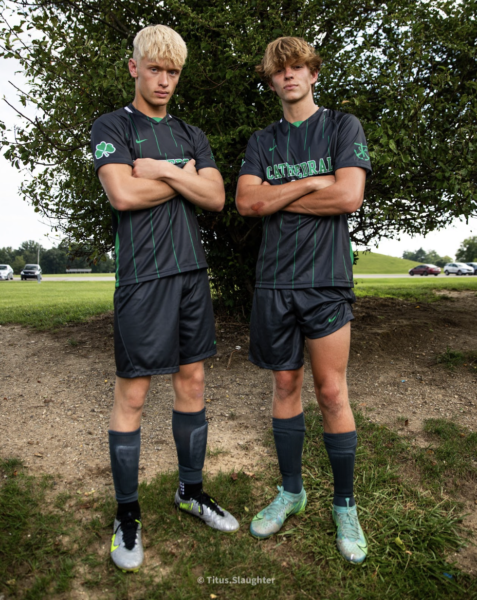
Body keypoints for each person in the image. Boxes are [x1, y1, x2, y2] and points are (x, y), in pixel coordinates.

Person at [91, 24, 239, 573]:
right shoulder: (112, 125)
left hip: (190, 275)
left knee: (193, 381)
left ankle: (190, 491)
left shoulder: (190, 133)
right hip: (143, 278)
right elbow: (123, 193)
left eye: (173, 72)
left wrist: (159, 168)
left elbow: (218, 196)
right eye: (154, 68)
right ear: (134, 68)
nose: (164, 80)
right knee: (132, 394)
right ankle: (126, 514)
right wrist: (182, 176)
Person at [236, 37, 372, 564]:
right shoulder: (262, 140)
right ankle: (292, 492)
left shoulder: (342, 126)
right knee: (285, 383)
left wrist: (282, 192)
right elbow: (249, 201)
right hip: (274, 282)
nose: (289, 76)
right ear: (270, 81)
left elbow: (348, 196)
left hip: (326, 281)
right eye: (279, 70)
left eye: (298, 68)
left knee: (332, 391)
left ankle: (344, 505)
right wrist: (311, 180)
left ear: (312, 74)